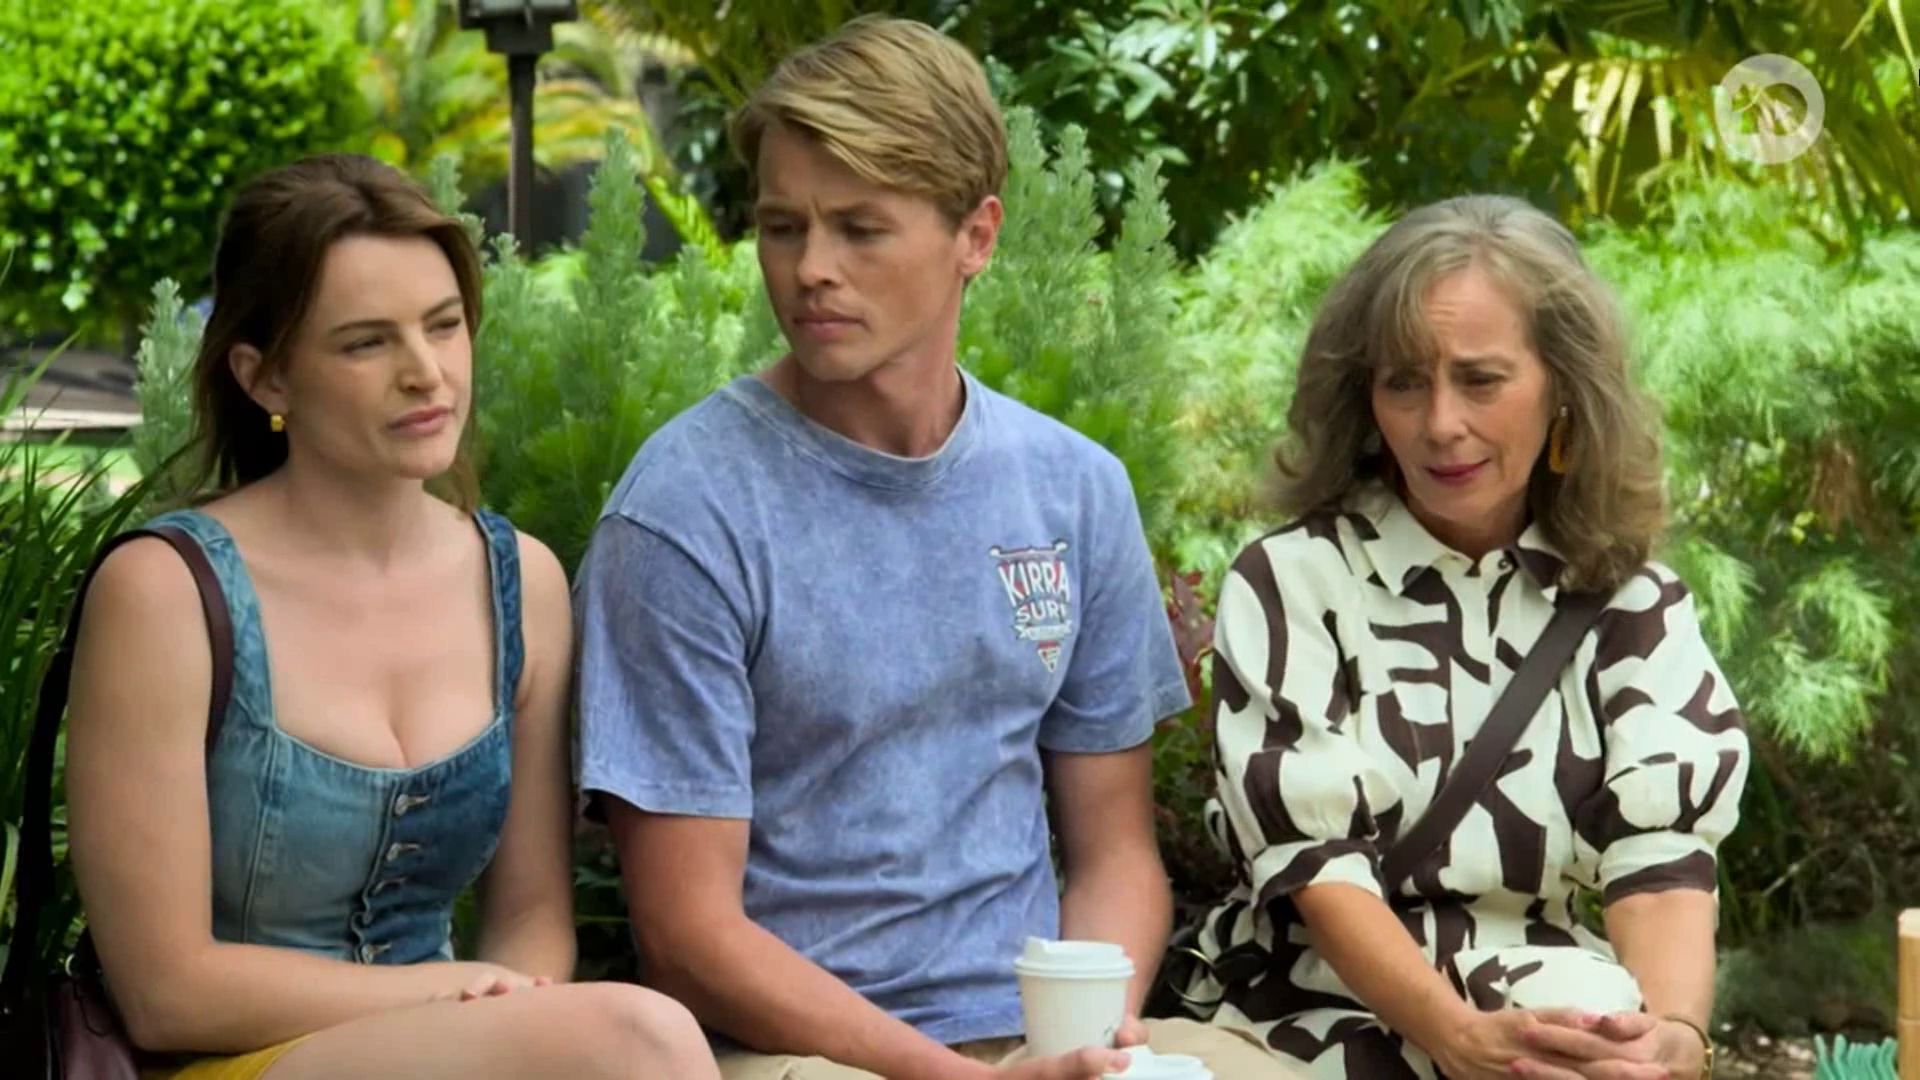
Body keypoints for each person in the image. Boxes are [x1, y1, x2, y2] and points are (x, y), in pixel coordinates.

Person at [573, 16, 1284, 1080]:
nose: (812, 269)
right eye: (782, 227)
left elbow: (1116, 855)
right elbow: (690, 935)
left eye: (861, 229)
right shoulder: (685, 512)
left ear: (976, 236)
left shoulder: (1072, 488)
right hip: (796, 1052)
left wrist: (1087, 1044)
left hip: (1038, 1035)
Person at [63, 154, 719, 1080]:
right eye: (367, 343)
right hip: (220, 1061)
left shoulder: (520, 582)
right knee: (637, 1039)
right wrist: (450, 996)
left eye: (444, 326)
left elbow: (531, 919)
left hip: (453, 1048)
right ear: (267, 380)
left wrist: (497, 1013)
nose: (426, 372)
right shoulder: (166, 592)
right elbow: (166, 991)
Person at [1185, 194, 1751, 1080]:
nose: (1440, 423)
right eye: (1404, 382)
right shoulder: (1293, 580)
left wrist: (1674, 1039)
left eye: (1480, 380)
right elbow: (1318, 867)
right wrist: (1455, 1036)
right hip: (1307, 1016)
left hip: (1553, 1011)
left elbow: (1663, 859)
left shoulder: (1634, 604)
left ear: (1564, 388)